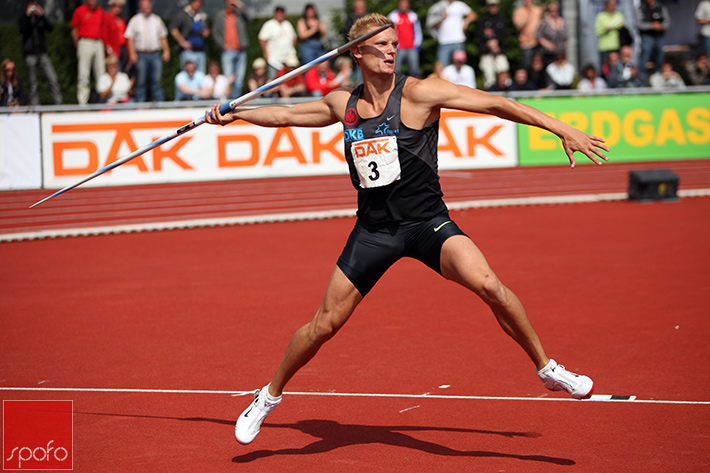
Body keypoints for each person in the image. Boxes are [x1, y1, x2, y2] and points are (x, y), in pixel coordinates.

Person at [205, 13, 606, 445]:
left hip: (426, 223)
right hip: (374, 231)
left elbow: (495, 103)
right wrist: (236, 114)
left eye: (394, 43)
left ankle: (547, 369)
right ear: (356, 51)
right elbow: (284, 115)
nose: (392, 50)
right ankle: (268, 396)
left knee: (489, 284)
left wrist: (559, 127)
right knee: (323, 325)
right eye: (381, 45)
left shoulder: (420, 92)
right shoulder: (344, 104)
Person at [124, 0, 170, 103]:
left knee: (157, 81)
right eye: (144, 6)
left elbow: (163, 36)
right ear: (140, 7)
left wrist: (166, 50)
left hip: (155, 54)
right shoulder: (135, 20)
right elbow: (130, 38)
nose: (146, 8)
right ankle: (140, 104)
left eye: (148, 6)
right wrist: (132, 53)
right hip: (141, 55)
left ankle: (159, 104)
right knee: (141, 81)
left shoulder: (156, 20)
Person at [18, 0, 62, 105]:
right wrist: (28, 16)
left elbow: (50, 28)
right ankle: (35, 106)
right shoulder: (24, 18)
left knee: (53, 79)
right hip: (30, 54)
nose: (33, 7)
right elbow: (22, 30)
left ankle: (58, 103)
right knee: (32, 83)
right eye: (31, 5)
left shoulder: (39, 18)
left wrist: (42, 16)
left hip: (42, 53)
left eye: (35, 5)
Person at [212, 0, 250, 99]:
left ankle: (236, 100)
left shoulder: (239, 14)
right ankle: (228, 100)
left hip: (240, 50)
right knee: (228, 78)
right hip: (227, 51)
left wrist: (240, 5)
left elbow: (250, 18)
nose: (232, 5)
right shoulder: (220, 16)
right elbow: (215, 32)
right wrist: (222, 44)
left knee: (239, 79)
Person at [71, 0, 104, 105]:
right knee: (83, 75)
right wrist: (78, 43)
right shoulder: (80, 11)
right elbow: (74, 28)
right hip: (85, 41)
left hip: (98, 42)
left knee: (101, 74)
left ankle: (102, 101)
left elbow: (103, 28)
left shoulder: (100, 11)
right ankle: (83, 103)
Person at [428, 0, 477, 66]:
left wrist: (466, 22)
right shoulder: (439, 6)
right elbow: (432, 25)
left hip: (458, 40)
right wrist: (442, 17)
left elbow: (473, 15)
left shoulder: (460, 5)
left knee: (460, 66)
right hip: (444, 42)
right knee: (441, 67)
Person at [258, 6, 298, 79]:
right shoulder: (269, 25)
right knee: (274, 80)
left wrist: (291, 49)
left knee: (288, 80)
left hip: (287, 60)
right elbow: (262, 39)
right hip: (274, 60)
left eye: (282, 13)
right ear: (275, 14)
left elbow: (294, 38)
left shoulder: (287, 24)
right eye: (278, 13)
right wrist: (265, 53)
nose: (280, 15)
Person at [170, 0, 210, 73]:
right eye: (195, 2)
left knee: (200, 76)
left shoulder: (202, 16)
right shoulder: (183, 15)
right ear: (191, 3)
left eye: (200, 2)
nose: (197, 4)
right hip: (188, 52)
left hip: (200, 51)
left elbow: (206, 29)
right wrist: (182, 42)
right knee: (188, 74)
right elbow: (173, 29)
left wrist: (206, 32)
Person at [478, 0, 509, 89]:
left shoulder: (502, 19)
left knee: (503, 69)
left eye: (494, 5)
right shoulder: (483, 19)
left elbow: (504, 35)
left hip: (499, 51)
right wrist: (490, 44)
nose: (493, 7)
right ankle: (490, 93)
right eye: (491, 5)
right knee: (488, 73)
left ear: (498, 6)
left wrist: (495, 43)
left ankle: (506, 92)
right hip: (486, 51)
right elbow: (480, 34)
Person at [388, 0, 422, 78]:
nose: (404, 5)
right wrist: (393, 46)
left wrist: (417, 45)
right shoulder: (392, 16)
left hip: (412, 48)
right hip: (398, 48)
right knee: (395, 71)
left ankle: (414, 89)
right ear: (398, 4)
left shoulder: (413, 15)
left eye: (406, 3)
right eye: (402, 3)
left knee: (414, 71)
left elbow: (418, 31)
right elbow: (390, 32)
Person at [636, 0, 670, 75]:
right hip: (647, 36)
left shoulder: (661, 7)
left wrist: (661, 26)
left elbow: (667, 22)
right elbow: (639, 24)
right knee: (645, 56)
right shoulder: (641, 8)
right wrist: (651, 25)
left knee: (660, 56)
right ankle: (641, 77)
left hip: (659, 36)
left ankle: (657, 75)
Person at [594, 0, 625, 68]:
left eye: (614, 5)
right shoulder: (601, 16)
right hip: (605, 46)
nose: (612, 7)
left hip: (616, 45)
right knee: (605, 67)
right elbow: (597, 31)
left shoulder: (618, 15)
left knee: (617, 67)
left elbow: (623, 26)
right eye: (611, 5)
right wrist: (606, 30)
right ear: (607, 6)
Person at [513, 0, 543, 69]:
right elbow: (519, 26)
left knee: (539, 66)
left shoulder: (538, 10)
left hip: (538, 43)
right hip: (526, 44)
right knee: (527, 66)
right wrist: (528, 14)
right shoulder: (519, 11)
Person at [537, 1, 568, 66]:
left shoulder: (561, 21)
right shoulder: (544, 22)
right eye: (551, 10)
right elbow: (538, 36)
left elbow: (565, 36)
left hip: (560, 53)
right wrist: (546, 43)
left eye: (555, 10)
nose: (553, 12)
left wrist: (566, 43)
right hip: (549, 53)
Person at [102, 0, 127, 70]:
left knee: (122, 70)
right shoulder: (107, 17)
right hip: (113, 49)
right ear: (111, 6)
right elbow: (104, 36)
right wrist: (109, 51)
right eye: (115, 6)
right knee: (115, 69)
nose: (117, 8)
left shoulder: (122, 19)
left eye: (120, 7)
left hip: (122, 48)